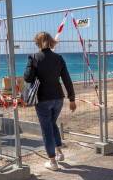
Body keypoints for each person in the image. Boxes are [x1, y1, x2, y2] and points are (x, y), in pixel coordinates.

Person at [24, 31, 76, 171]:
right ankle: (59, 152)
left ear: (37, 43)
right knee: (52, 124)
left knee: (46, 128)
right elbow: (67, 79)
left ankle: (52, 162)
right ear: (52, 42)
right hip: (58, 98)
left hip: (42, 99)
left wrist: (32, 66)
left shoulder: (34, 57)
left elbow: (27, 78)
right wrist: (72, 99)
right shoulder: (59, 58)